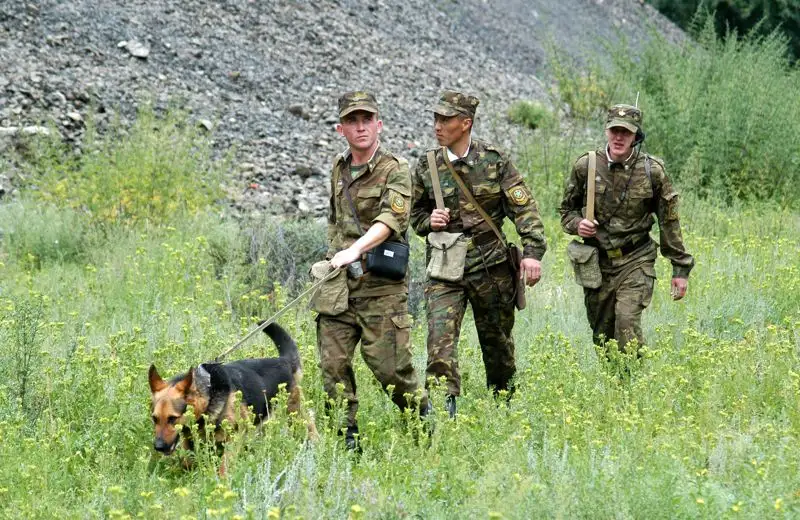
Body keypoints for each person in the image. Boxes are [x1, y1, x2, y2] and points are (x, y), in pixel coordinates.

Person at [410, 90, 547, 417]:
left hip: (491, 268)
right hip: (445, 269)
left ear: (466, 123)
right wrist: (428, 221)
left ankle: (505, 408)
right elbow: (413, 216)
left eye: (446, 119)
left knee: (498, 345)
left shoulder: (495, 160)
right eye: (436, 118)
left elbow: (524, 209)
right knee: (439, 346)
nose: (437, 125)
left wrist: (532, 252)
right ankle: (443, 417)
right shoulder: (427, 164)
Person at [317, 91, 427, 450]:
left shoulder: (395, 169)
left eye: (367, 119)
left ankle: (424, 430)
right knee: (332, 368)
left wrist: (354, 250)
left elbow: (390, 220)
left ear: (379, 124)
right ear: (340, 129)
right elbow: (336, 223)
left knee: (392, 371)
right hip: (339, 286)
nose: (360, 127)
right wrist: (335, 259)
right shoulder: (338, 168)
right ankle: (347, 445)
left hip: (381, 288)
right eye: (352, 121)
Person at [559, 104, 695, 356]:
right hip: (597, 263)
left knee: (626, 324)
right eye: (614, 131)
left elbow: (669, 222)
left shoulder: (652, 171)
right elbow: (566, 211)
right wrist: (578, 224)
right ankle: (615, 387)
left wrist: (680, 269)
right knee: (602, 336)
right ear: (606, 131)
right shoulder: (586, 166)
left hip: (636, 260)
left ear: (636, 136)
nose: (619, 137)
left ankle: (632, 385)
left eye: (626, 132)